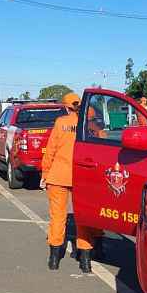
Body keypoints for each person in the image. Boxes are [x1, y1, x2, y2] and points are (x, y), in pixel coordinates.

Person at [41, 92, 101, 273]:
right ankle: (85, 260)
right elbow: (101, 147)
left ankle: (54, 259)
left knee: (57, 217)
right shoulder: (91, 123)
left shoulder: (61, 123)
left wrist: (45, 173)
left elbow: (51, 149)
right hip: (83, 176)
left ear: (66, 107)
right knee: (83, 217)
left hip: (58, 175)